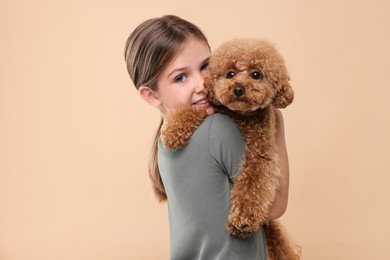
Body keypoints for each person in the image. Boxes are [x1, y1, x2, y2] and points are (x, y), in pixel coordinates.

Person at [124, 15, 290, 260]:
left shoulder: (164, 141)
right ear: (151, 95)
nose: (202, 84)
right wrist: (275, 121)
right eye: (181, 77)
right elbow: (275, 206)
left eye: (205, 66)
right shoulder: (217, 130)